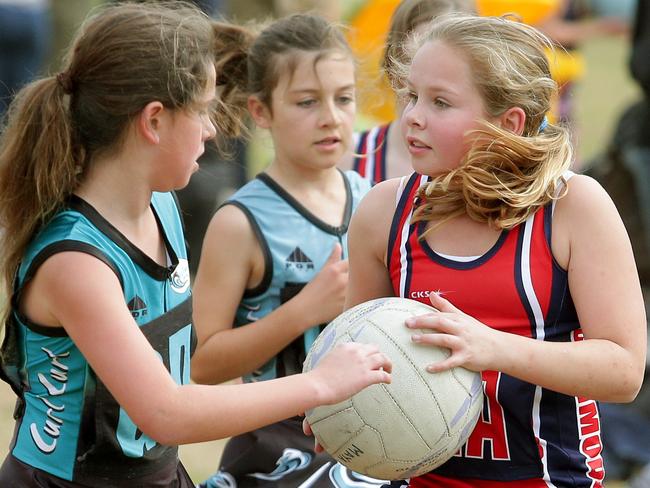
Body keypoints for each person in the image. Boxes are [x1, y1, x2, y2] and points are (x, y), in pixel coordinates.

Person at [0, 3, 392, 487]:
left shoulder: (160, 205)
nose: (212, 128)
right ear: (155, 121)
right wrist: (318, 384)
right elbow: (166, 411)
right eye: (203, 109)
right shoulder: (77, 262)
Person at [338, 12, 647, 486]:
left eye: (440, 102)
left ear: (508, 122)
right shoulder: (384, 212)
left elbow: (624, 371)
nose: (413, 116)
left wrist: (493, 347)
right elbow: (361, 355)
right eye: (412, 96)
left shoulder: (573, 207)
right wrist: (340, 408)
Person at [191, 13, 388, 488]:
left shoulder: (375, 200)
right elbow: (205, 364)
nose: (330, 117)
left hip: (376, 440)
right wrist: (302, 311)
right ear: (261, 112)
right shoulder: (240, 222)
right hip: (275, 453)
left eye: (343, 99)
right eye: (306, 102)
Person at [340, 0, 473, 186]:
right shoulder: (349, 157)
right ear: (392, 61)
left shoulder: (490, 172)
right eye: (414, 57)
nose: (428, 74)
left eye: (450, 63)